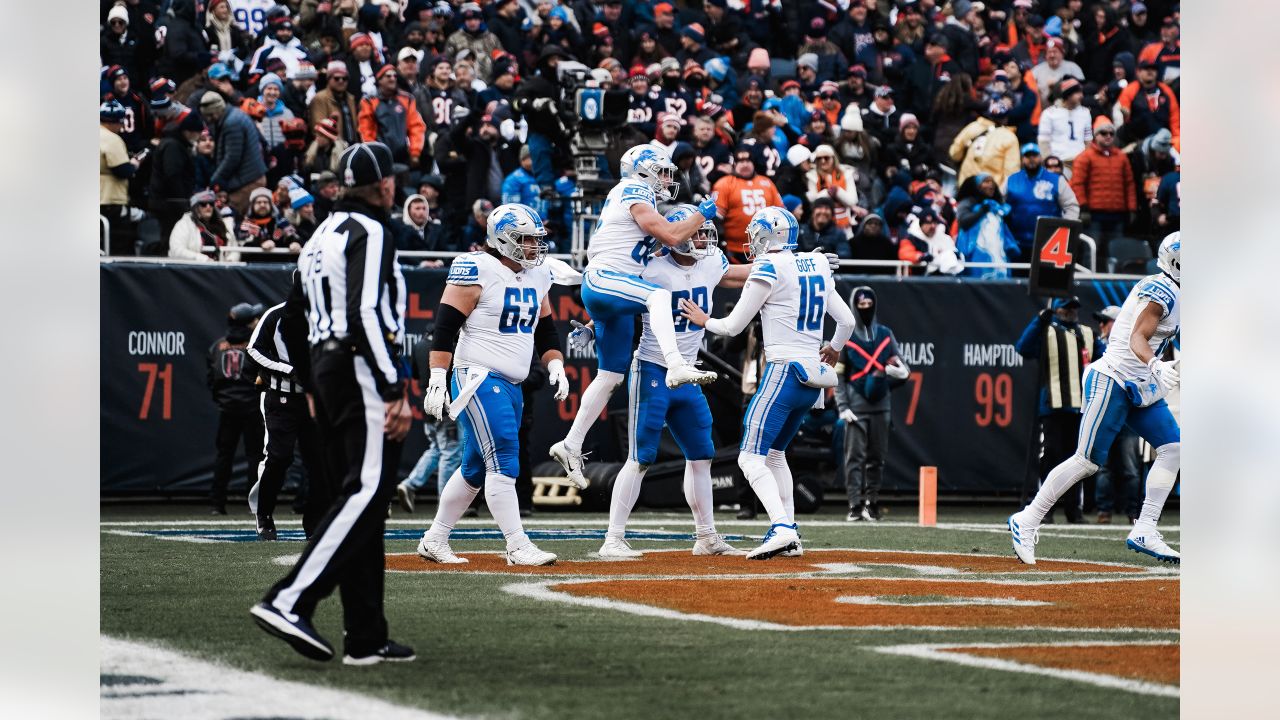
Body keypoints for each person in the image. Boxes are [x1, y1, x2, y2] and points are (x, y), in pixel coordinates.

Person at [251, 141, 415, 665]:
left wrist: (314, 385)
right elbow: (364, 312)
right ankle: (290, 598)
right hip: (358, 364)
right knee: (369, 490)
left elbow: (296, 316)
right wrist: (394, 388)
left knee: (359, 495)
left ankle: (366, 635)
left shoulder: (319, 234)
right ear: (386, 185)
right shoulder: (371, 231)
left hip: (328, 366)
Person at [680, 207, 856, 559]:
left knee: (750, 457)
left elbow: (731, 326)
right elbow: (847, 321)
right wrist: (834, 349)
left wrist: (703, 320)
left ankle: (782, 527)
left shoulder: (769, 266)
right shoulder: (816, 263)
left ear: (766, 235)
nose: (750, 240)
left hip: (783, 370)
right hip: (813, 379)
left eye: (754, 234)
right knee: (776, 455)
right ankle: (791, 532)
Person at [547, 145, 719, 488]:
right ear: (642, 170)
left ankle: (570, 444)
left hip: (616, 288)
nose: (668, 179)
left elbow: (643, 251)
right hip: (605, 277)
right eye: (662, 171)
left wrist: (595, 324)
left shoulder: (640, 199)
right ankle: (676, 364)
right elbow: (670, 236)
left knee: (611, 376)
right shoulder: (634, 189)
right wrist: (703, 214)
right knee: (658, 296)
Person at [1010, 233, 1181, 564]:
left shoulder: (1181, 291)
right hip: (1114, 378)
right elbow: (1137, 337)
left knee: (1173, 448)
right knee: (1087, 460)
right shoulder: (1161, 291)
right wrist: (1157, 364)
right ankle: (1027, 519)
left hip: (1142, 385)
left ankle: (1145, 528)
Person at [416, 203, 570, 565]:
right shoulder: (477, 268)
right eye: (526, 240)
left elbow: (546, 329)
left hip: (512, 381)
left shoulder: (538, 274)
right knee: (503, 455)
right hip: (478, 376)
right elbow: (445, 328)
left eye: (536, 239)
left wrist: (556, 366)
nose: (534, 247)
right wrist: (438, 377)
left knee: (473, 466)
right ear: (502, 240)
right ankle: (517, 545)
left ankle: (434, 539)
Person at [597, 205, 750, 559]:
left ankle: (706, 536)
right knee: (641, 456)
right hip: (652, 368)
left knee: (702, 454)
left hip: (688, 372)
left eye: (704, 232)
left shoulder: (712, 262)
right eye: (694, 232)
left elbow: (748, 273)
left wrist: (795, 267)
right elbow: (615, 298)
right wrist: (594, 327)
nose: (701, 238)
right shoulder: (650, 267)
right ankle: (613, 538)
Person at [246, 273, 329, 540]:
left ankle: (314, 523)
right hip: (280, 398)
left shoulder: (328, 317)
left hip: (314, 399)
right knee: (279, 457)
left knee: (319, 463)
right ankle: (264, 513)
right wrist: (288, 370)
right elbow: (254, 350)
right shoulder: (276, 315)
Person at [1015, 296, 1105, 524]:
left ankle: (1074, 510)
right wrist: (1038, 321)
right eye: (1067, 307)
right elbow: (1022, 348)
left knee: (1078, 461)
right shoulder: (1047, 331)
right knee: (1050, 458)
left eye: (1074, 307)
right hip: (1053, 407)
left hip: (1081, 409)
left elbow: (1104, 360)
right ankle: (1044, 509)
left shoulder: (1087, 333)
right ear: (1056, 309)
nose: (1071, 311)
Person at [834, 286, 910, 522]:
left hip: (881, 405)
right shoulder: (847, 337)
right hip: (856, 408)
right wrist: (843, 406)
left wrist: (896, 372)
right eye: (861, 305)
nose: (865, 308)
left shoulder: (886, 334)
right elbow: (838, 376)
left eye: (869, 305)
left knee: (877, 457)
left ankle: (872, 502)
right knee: (854, 458)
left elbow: (903, 367)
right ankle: (855, 505)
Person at [207, 302, 266, 516]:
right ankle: (253, 504)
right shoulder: (255, 346)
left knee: (224, 455)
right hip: (251, 408)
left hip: (227, 409)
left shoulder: (217, 346)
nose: (255, 322)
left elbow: (212, 380)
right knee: (254, 456)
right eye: (251, 319)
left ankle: (216, 504)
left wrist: (223, 400)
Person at [396, 331, 461, 513]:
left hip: (427, 404)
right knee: (450, 454)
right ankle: (446, 504)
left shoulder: (420, 345)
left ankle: (410, 484)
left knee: (437, 449)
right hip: (445, 406)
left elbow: (416, 377)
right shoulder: (449, 345)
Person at [1089, 305, 1142, 525]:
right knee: (1104, 467)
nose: (1101, 325)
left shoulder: (1133, 346)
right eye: (1100, 321)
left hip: (1128, 415)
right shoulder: (1098, 346)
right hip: (1106, 414)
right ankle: (1104, 511)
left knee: (1130, 468)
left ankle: (1134, 513)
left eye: (1105, 321)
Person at [1070, 117, 1136, 259]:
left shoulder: (1121, 157)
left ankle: (1115, 279)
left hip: (1117, 214)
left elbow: (1129, 184)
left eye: (1111, 133)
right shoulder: (1085, 157)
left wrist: (1131, 209)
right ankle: (1090, 278)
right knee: (1092, 250)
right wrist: (1084, 207)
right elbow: (1077, 183)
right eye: (1104, 133)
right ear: (1096, 135)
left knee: (1116, 251)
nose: (1108, 136)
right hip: (1094, 214)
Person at [1003, 143, 1080, 260]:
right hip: (1017, 241)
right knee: (1019, 275)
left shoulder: (1056, 180)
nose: (1031, 159)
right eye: (1027, 156)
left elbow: (1071, 205)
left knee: (1045, 277)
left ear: (1040, 157)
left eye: (1034, 155)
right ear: (1022, 159)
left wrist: (1063, 231)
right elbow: (998, 204)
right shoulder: (1011, 180)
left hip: (1049, 243)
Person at [199, 91, 268, 217]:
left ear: (216, 111)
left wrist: (215, 180)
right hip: (250, 176)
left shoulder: (232, 123)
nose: (209, 120)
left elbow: (232, 157)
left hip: (248, 181)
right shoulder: (235, 115)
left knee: (231, 218)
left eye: (209, 116)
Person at [711, 147, 784, 263]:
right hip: (734, 251)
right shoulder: (723, 184)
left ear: (753, 163)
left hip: (767, 249)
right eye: (740, 161)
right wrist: (721, 244)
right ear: (734, 164)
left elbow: (781, 214)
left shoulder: (767, 183)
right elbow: (715, 218)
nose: (745, 164)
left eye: (748, 161)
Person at [358, 65, 427, 167]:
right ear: (380, 80)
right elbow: (366, 130)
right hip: (380, 157)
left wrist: (415, 152)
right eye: (388, 76)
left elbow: (416, 127)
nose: (393, 78)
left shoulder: (407, 99)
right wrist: (373, 153)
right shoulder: (369, 101)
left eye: (395, 76)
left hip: (404, 156)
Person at [100, 99, 141, 256]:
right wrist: (134, 164)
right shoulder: (112, 139)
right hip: (111, 201)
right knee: (116, 247)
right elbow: (122, 170)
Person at [1036, 78, 1092, 174]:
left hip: (1080, 164)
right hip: (1058, 164)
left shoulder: (1085, 112)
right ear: (1068, 95)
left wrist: (1087, 161)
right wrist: (1049, 162)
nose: (1081, 96)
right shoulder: (1050, 113)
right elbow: (1043, 141)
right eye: (1077, 93)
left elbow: (1088, 140)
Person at [169, 190, 240, 262]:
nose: (208, 206)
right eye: (203, 204)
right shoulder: (184, 225)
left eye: (211, 203)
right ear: (196, 207)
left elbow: (234, 249)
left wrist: (230, 260)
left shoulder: (223, 225)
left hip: (220, 270)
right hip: (195, 270)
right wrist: (202, 259)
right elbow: (176, 250)